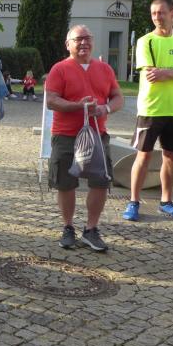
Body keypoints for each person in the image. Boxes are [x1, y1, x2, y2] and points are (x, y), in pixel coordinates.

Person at [45, 25, 124, 251]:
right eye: (78, 39)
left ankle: (91, 229)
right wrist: (78, 106)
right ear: (68, 44)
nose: (83, 43)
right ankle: (68, 227)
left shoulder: (105, 69)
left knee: (101, 182)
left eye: (87, 38)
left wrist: (105, 109)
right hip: (66, 135)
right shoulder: (59, 69)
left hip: (98, 134)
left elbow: (118, 97)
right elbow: (51, 100)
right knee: (65, 183)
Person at [124, 0, 173, 222]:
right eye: (154, 13)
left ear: (172, 13)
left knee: (171, 157)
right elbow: (151, 74)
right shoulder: (146, 41)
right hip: (151, 109)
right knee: (143, 155)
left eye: (161, 12)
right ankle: (133, 201)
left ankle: (166, 202)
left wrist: (166, 72)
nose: (157, 17)